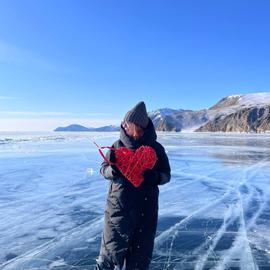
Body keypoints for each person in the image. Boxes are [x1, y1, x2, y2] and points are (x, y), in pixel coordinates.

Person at [95, 101, 171, 270]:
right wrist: (112, 171)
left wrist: (154, 177)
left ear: (136, 126)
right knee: (108, 259)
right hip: (118, 212)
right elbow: (103, 169)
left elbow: (166, 175)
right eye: (123, 123)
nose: (123, 126)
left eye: (126, 123)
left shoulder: (156, 149)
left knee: (138, 262)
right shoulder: (116, 147)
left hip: (145, 211)